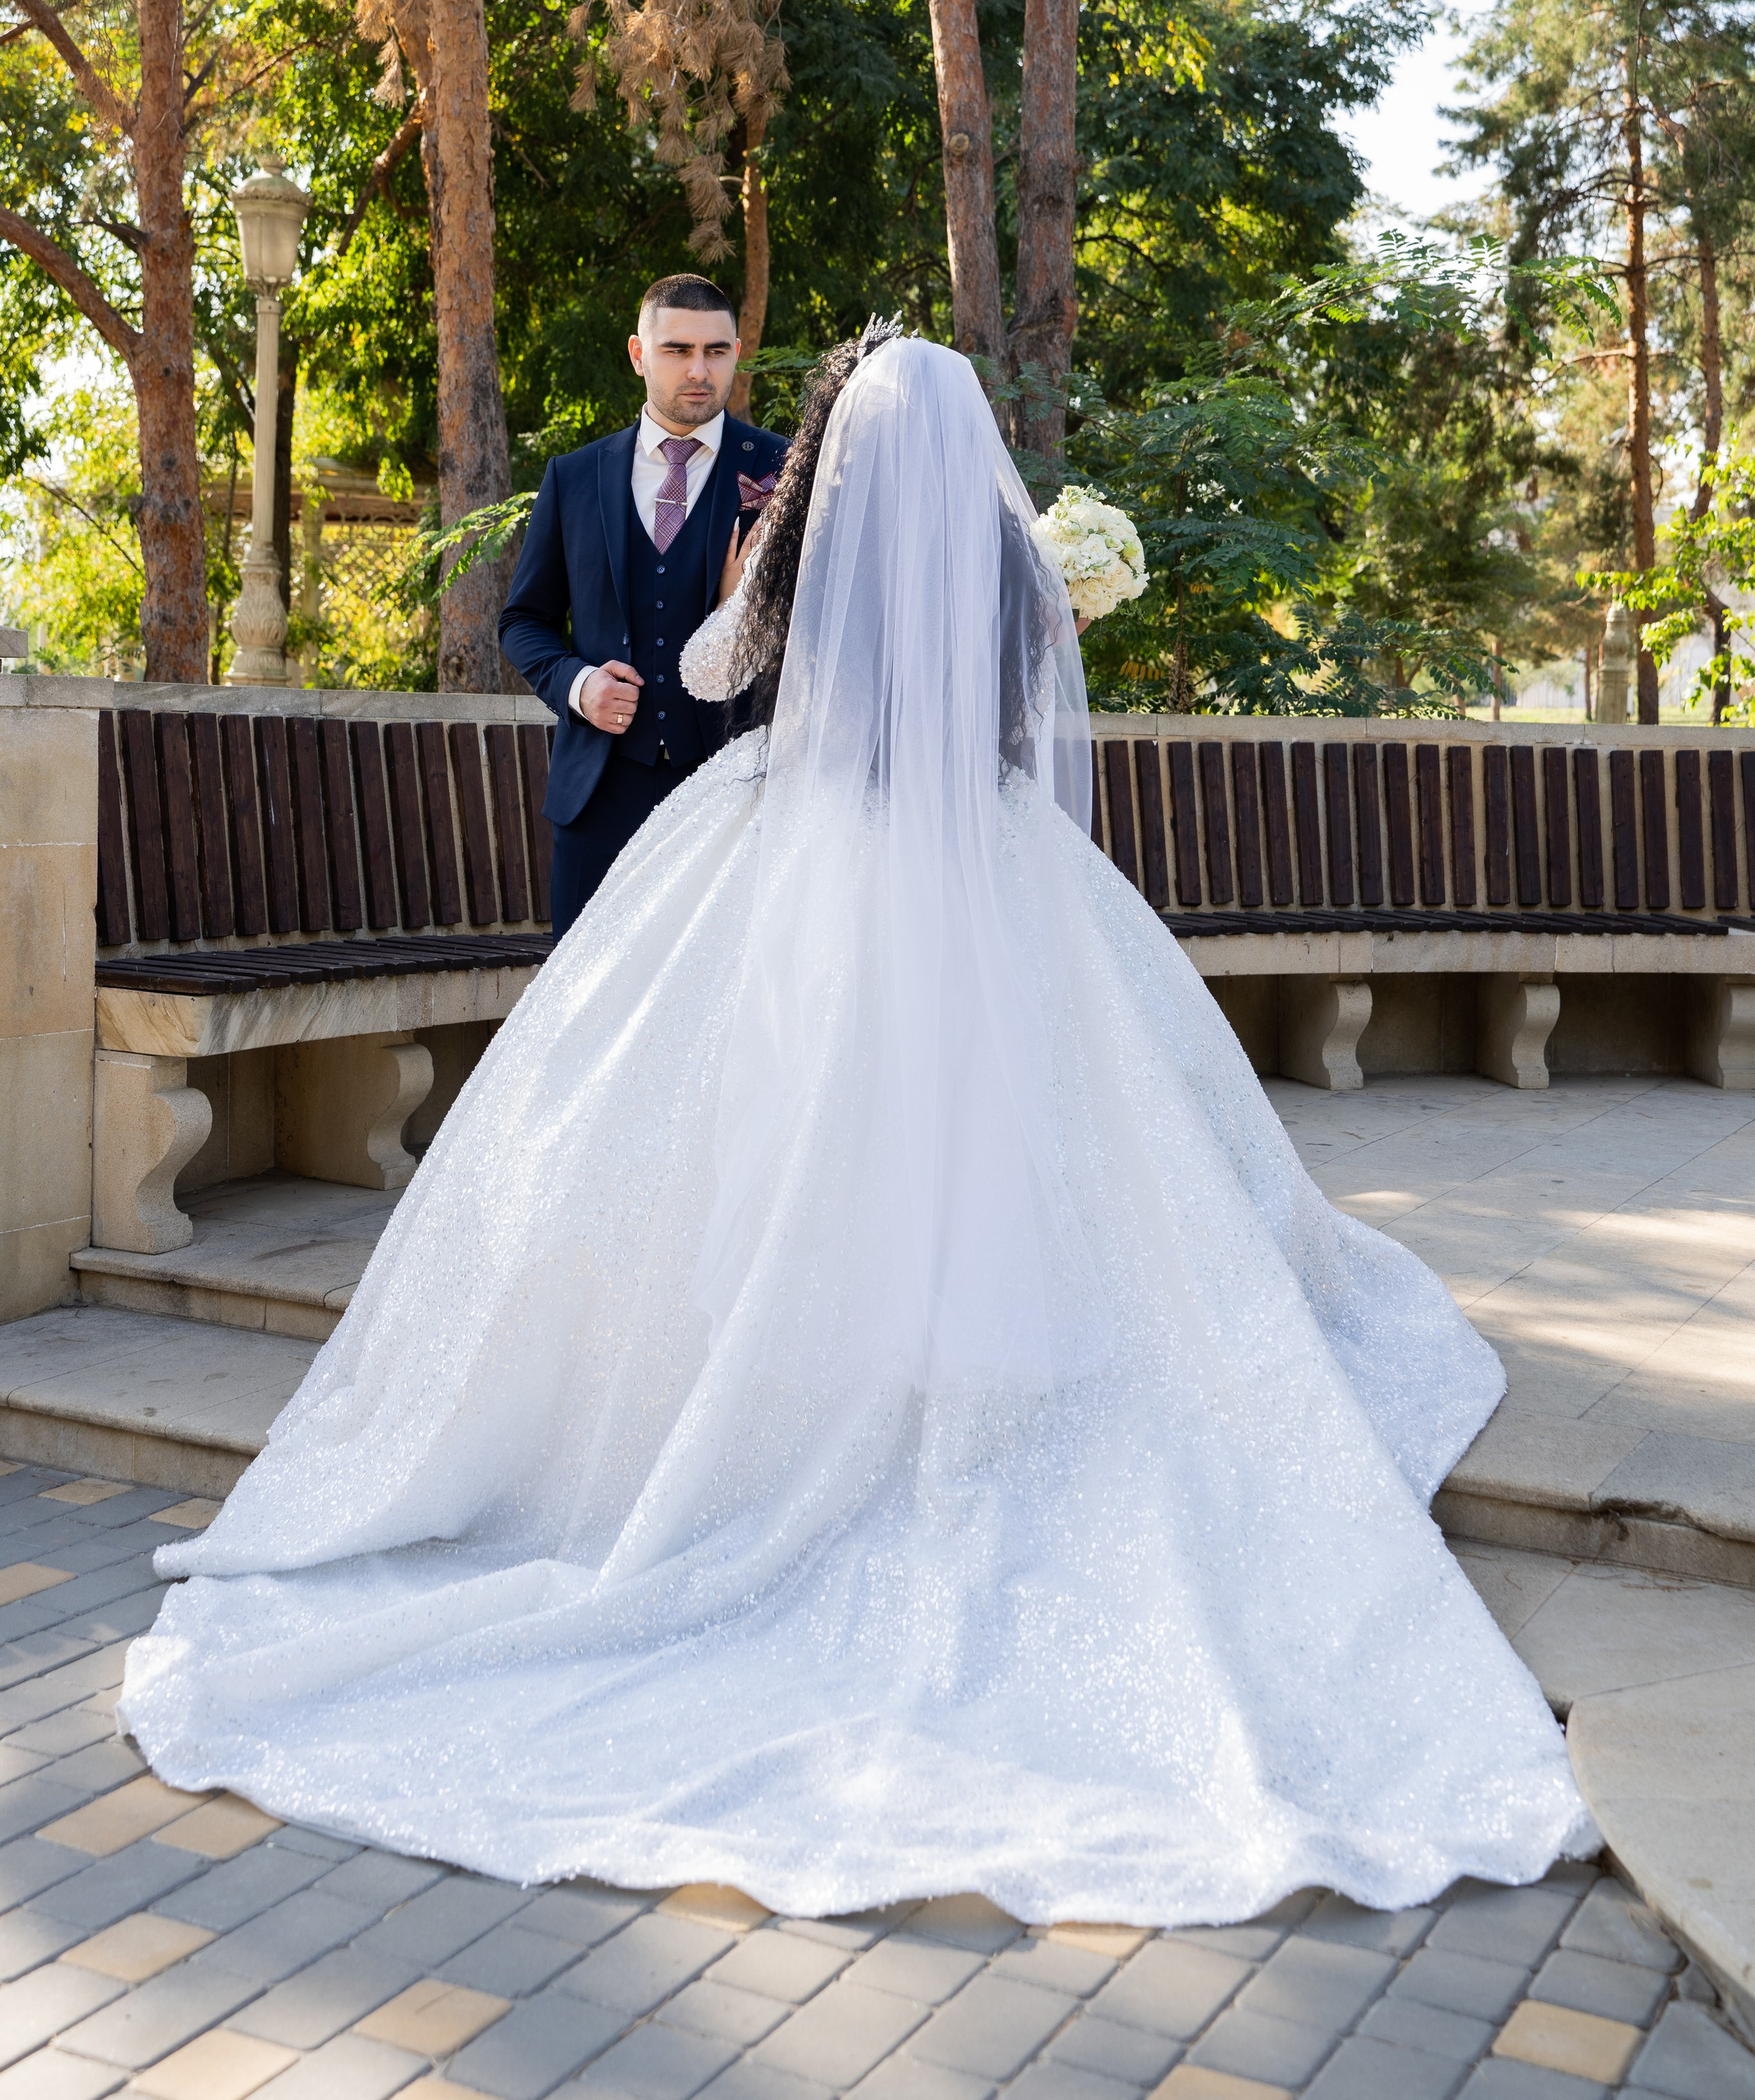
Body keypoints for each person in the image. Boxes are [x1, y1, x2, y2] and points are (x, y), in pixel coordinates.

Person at [121, 330, 1593, 1922]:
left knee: (779, 1122)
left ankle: (780, 1381)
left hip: (801, 858)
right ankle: (979, 1364)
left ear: (836, 446)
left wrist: (753, 571)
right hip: (986, 870)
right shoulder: (1018, 572)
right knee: (1004, 1134)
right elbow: (1027, 723)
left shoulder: (792, 546)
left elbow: (707, 678)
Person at [497, 271, 789, 938]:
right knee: (583, 991)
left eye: (716, 351)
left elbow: (819, 629)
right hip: (599, 796)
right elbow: (523, 620)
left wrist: (738, 617)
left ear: (736, 353)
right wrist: (578, 685)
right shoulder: (574, 476)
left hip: (733, 792)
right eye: (677, 349)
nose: (699, 370)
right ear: (638, 354)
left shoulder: (785, 470)